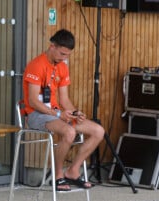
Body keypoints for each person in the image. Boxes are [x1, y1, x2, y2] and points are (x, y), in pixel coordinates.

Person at [22, 29, 104, 191]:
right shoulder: (36, 65)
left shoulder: (62, 66)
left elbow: (64, 100)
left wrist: (75, 113)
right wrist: (58, 114)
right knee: (69, 132)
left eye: (67, 55)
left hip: (55, 114)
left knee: (98, 131)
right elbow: (32, 100)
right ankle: (58, 175)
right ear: (52, 46)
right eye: (62, 54)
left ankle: (73, 171)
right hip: (36, 114)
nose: (64, 58)